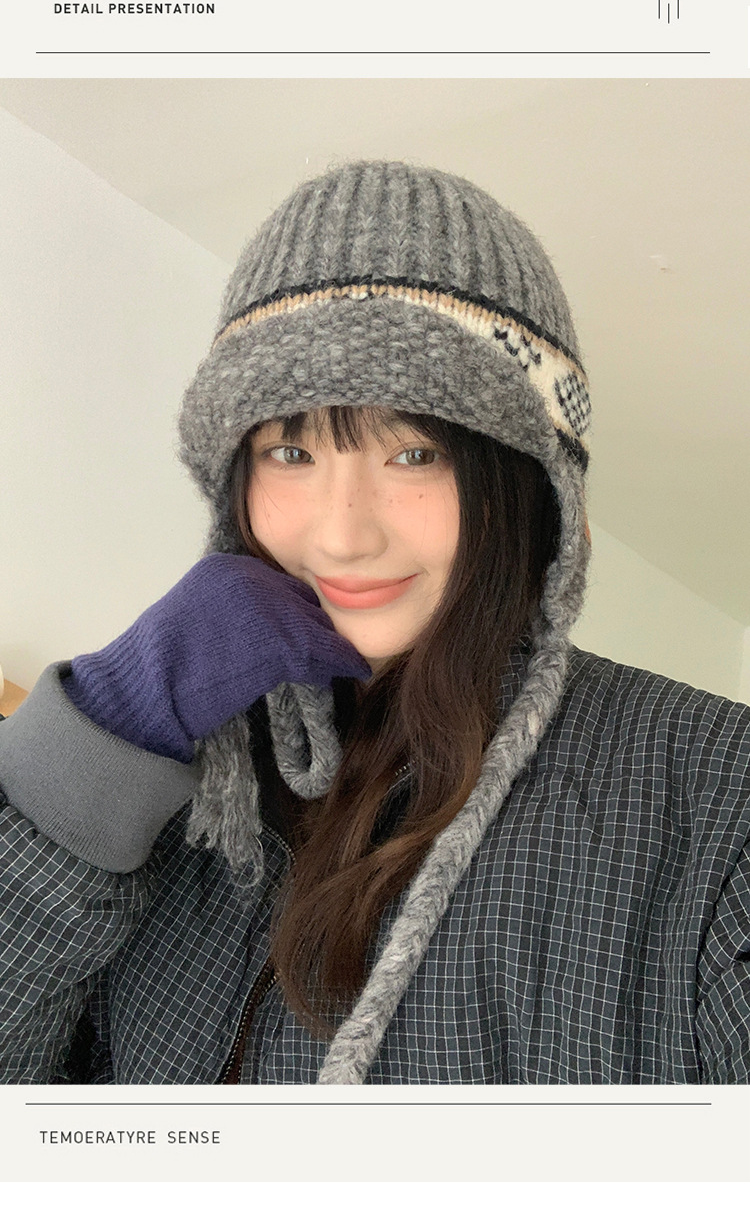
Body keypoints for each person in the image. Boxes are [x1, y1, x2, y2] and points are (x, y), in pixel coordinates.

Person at [1, 160, 748, 1086]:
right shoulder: (184, 784)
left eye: (414, 451)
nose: (343, 535)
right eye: (290, 450)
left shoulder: (716, 797)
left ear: (526, 481)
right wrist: (92, 750)